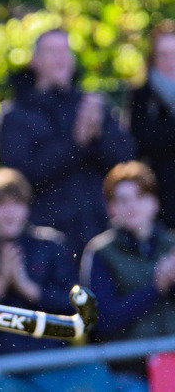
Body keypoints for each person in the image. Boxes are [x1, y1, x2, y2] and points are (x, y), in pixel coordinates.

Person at [0, 168, 113, 391]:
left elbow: (75, 308)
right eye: (0, 205)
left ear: (26, 207)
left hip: (53, 363)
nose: (9, 213)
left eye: (16, 203)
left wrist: (29, 289)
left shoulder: (50, 245)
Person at [0, 28, 136, 253]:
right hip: (46, 237)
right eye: (52, 51)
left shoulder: (93, 105)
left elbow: (126, 160)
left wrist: (99, 134)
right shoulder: (16, 114)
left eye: (65, 51)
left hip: (100, 229)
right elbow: (21, 177)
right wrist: (76, 142)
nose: (61, 58)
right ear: (35, 61)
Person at [81, 161, 175, 391]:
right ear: (111, 208)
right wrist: (156, 287)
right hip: (127, 373)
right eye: (122, 200)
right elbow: (102, 322)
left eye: (140, 197)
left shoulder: (171, 245)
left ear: (155, 202)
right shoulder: (100, 252)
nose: (131, 207)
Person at [127, 20, 175, 229]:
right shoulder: (141, 96)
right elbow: (141, 142)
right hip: (160, 198)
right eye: (163, 55)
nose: (170, 62)